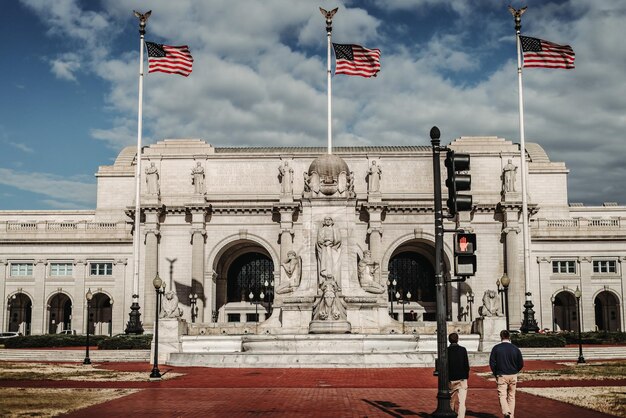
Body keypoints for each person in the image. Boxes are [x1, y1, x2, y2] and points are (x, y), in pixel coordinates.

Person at [489, 330, 524, 418]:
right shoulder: (515, 348)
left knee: (502, 395)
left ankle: (506, 412)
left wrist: (495, 373)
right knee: (512, 396)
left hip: (501, 374)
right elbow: (521, 363)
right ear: (509, 337)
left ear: (501, 337)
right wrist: (516, 370)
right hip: (513, 374)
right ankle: (511, 415)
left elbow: (492, 363)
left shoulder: (496, 348)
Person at [448, 332, 470, 418]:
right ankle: (461, 416)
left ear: (449, 340)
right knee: (462, 402)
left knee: (451, 400)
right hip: (462, 378)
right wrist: (466, 376)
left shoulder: (446, 350)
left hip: (451, 378)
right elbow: (466, 364)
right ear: (457, 339)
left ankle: (451, 414)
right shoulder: (463, 349)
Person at [316, 216, 342, 283]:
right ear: (324, 221)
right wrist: (324, 243)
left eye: (329, 220)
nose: (328, 221)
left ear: (332, 221)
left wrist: (332, 243)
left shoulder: (335, 229)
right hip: (324, 247)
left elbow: (338, 239)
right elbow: (319, 239)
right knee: (325, 260)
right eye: (326, 220)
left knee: (333, 261)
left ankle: (332, 275)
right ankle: (326, 274)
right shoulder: (322, 229)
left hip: (333, 247)